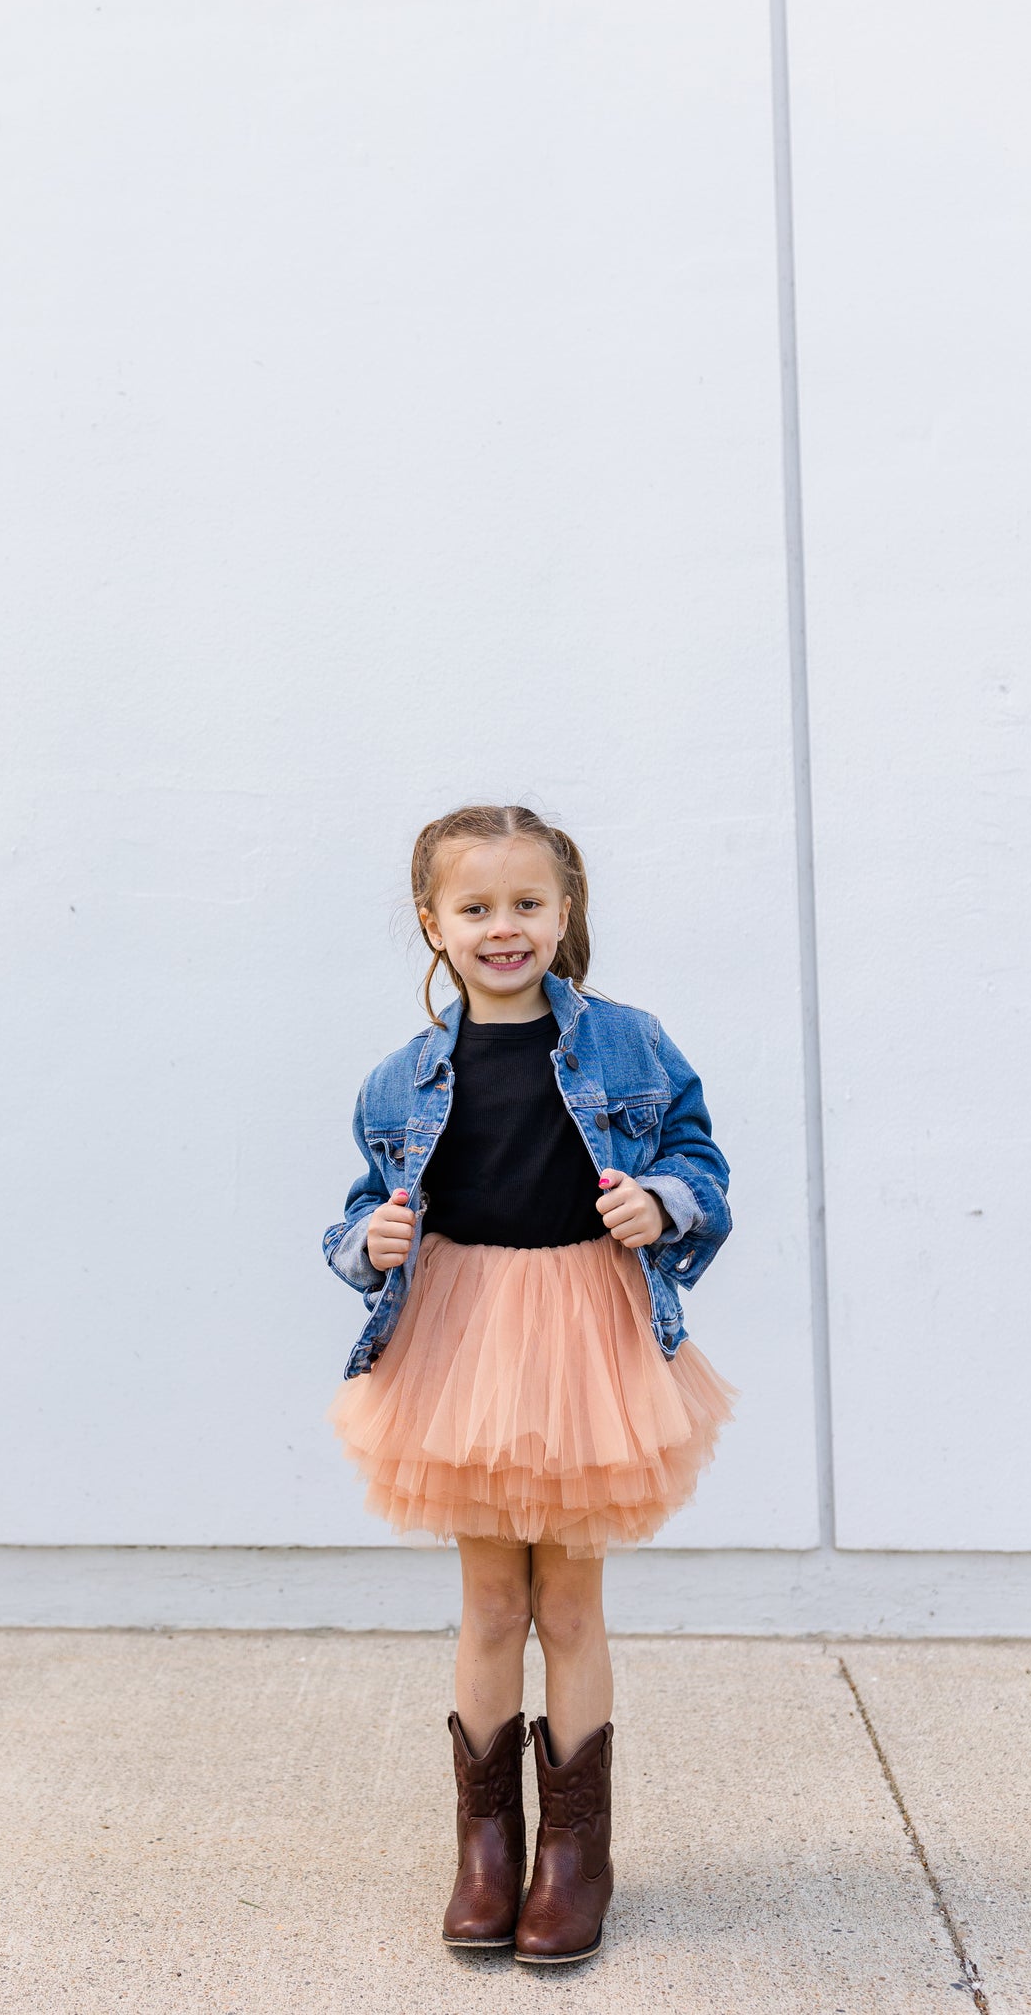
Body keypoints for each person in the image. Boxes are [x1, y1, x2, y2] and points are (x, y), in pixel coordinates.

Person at [322, 803, 735, 1965]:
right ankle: (485, 1847)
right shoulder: (401, 1075)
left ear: (563, 913)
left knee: (569, 1602)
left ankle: (574, 1853)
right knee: (492, 1602)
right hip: (463, 1340)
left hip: (585, 1333)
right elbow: (360, 1206)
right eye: (474, 907)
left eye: (525, 903)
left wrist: (662, 1201)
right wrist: (373, 1242)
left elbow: (697, 1159)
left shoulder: (628, 1042)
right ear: (431, 924)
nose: (502, 927)